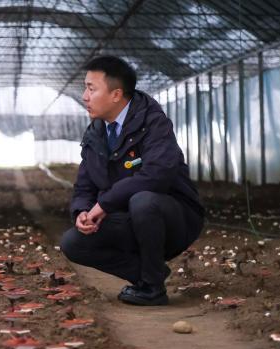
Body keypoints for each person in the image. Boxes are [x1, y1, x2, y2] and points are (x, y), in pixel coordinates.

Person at [60, 56, 205, 306]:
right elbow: (84, 186)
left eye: (91, 89)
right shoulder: (95, 133)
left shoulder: (153, 123)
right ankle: (147, 274)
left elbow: (157, 175)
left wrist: (104, 204)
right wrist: (82, 211)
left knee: (143, 200)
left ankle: (152, 289)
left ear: (116, 94)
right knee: (72, 243)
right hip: (128, 218)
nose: (84, 96)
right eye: (85, 88)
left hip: (173, 220)